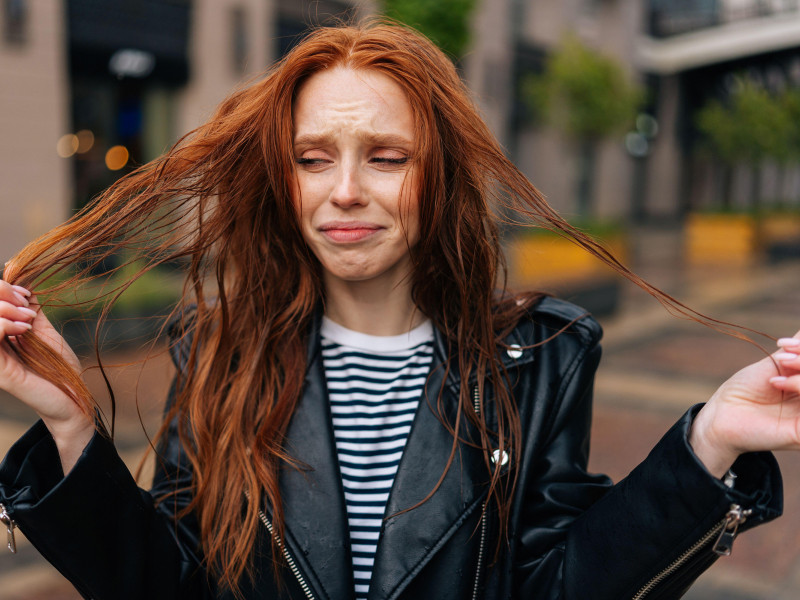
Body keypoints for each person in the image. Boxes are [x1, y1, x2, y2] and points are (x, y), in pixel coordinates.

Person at [0, 21, 796, 600]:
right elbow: (168, 583)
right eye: (313, 160)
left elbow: (560, 584)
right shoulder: (218, 350)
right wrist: (73, 426)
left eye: (387, 158)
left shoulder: (542, 352)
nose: (345, 190)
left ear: (439, 178)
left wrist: (710, 441)